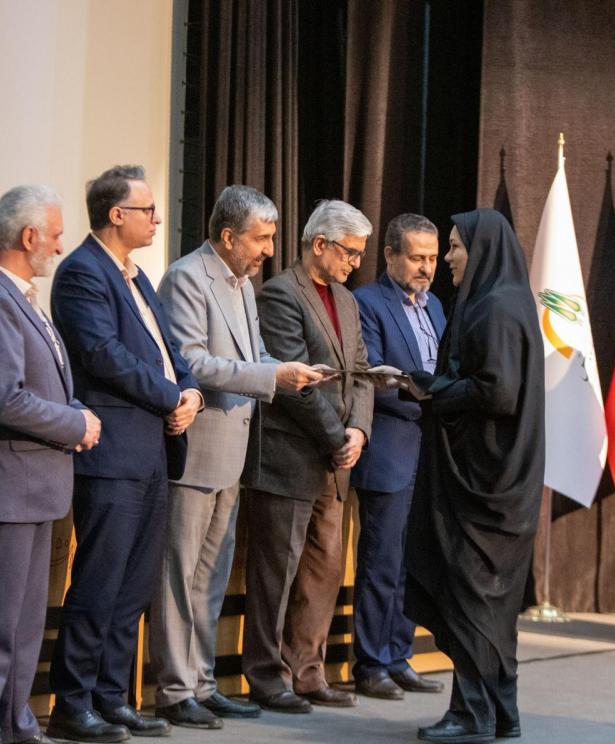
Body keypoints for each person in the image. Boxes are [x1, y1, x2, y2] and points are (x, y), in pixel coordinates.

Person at [149, 185, 325, 730]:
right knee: (179, 579)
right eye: (261, 238)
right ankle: (174, 690)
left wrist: (292, 372)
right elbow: (193, 363)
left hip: (233, 453)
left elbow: (255, 354)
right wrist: (273, 376)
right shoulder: (186, 277)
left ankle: (202, 684)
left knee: (210, 578)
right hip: (196, 452)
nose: (269, 250)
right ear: (228, 237)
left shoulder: (243, 284)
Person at [47, 165, 201, 742]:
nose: (157, 220)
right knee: (99, 581)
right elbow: (103, 354)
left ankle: (112, 697)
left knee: (134, 585)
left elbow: (169, 350)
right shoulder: (81, 272)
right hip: (111, 454)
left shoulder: (137, 276)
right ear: (117, 215)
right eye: (148, 210)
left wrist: (191, 392)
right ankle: (72, 703)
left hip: (154, 451)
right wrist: (169, 396)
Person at [0, 184, 101, 744]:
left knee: (22, 624)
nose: (60, 247)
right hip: (8, 487)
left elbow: (47, 385)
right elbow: (6, 399)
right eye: (56, 236)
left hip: (36, 486)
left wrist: (77, 411)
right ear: (29, 235)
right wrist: (75, 425)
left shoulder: (21, 298)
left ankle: (15, 724)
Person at [403, 208, 544, 744]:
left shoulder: (497, 308)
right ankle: (499, 713)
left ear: (482, 251)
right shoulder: (501, 301)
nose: (448, 259)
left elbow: (497, 392)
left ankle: (473, 716)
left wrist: (431, 390)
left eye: (456, 247)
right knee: (486, 601)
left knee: (472, 595)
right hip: (493, 477)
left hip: (486, 485)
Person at [241, 199, 374, 713]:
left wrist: (358, 430)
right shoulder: (281, 294)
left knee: (322, 571)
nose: (355, 263)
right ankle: (266, 676)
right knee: (276, 573)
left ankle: (308, 672)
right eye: (349, 252)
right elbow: (294, 385)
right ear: (319, 244)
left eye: (359, 254)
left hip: (336, 462)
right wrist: (337, 437)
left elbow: (361, 371)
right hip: (291, 456)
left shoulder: (348, 300)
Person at [349, 214, 446, 700]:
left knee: (413, 562)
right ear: (389, 255)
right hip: (389, 446)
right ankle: (370, 664)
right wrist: (428, 392)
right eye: (416, 257)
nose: (426, 267)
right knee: (381, 562)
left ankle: (398, 656)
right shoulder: (368, 302)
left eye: (432, 258)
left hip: (429, 451)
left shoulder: (436, 307)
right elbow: (372, 376)